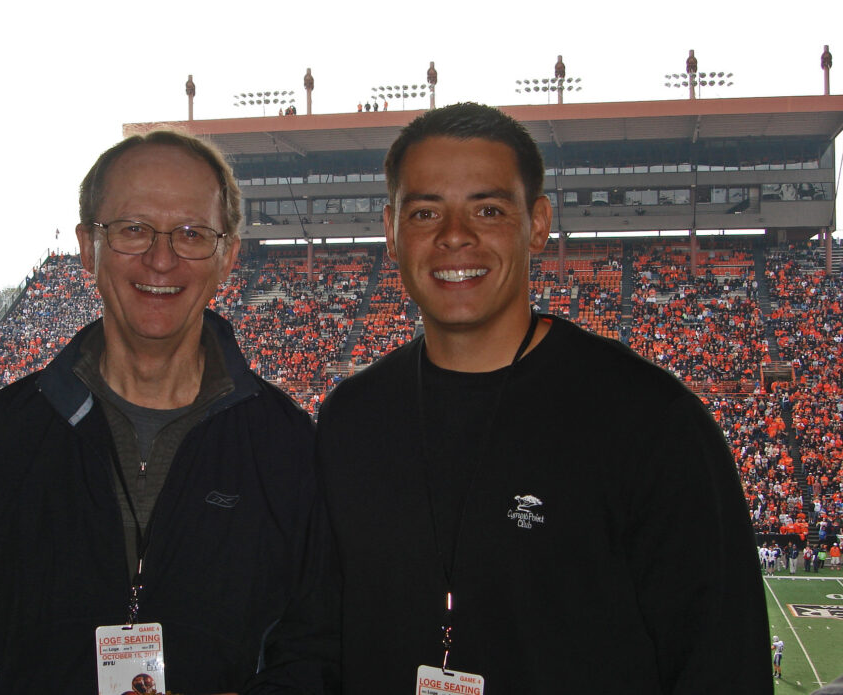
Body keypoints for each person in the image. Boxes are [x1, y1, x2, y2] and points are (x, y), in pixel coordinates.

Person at [316, 102, 770, 693]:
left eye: (488, 208)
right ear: (391, 231)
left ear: (537, 223)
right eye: (426, 211)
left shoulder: (651, 421)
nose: (455, 235)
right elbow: (316, 639)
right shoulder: (350, 418)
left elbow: (722, 665)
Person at [0, 129, 334, 693]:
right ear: (86, 247)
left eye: (192, 233)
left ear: (227, 257)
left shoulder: (287, 445)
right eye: (132, 229)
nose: (161, 257)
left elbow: (316, 653)